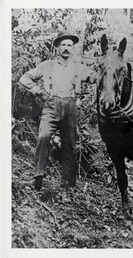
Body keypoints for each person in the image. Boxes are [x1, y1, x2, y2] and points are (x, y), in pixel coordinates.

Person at [19, 30, 97, 191]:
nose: (67, 48)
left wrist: (100, 67)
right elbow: (24, 78)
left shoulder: (79, 67)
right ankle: (38, 177)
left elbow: (96, 78)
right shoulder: (47, 65)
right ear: (57, 47)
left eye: (69, 45)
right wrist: (38, 91)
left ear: (73, 47)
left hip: (71, 107)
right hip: (51, 105)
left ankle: (67, 186)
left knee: (69, 146)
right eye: (63, 45)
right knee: (43, 137)